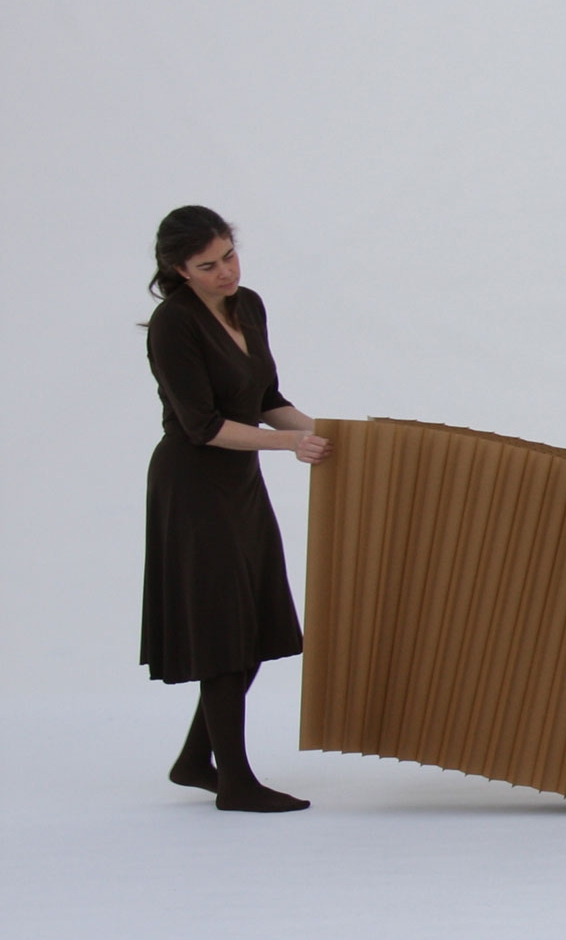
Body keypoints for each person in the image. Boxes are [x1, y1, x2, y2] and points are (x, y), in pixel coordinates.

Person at [141, 206, 331, 812]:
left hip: (240, 484)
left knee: (250, 623)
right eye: (208, 265)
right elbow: (200, 425)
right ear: (179, 270)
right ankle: (235, 780)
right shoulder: (172, 325)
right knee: (224, 630)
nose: (225, 272)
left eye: (229, 255)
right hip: (193, 487)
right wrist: (290, 445)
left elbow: (266, 397)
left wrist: (331, 433)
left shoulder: (248, 305)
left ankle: (197, 760)